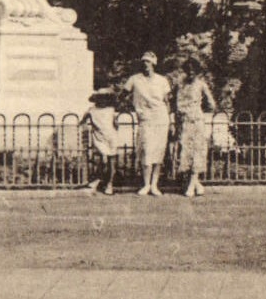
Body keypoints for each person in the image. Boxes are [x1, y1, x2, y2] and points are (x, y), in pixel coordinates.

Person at [122, 51, 173, 196]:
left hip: (161, 119)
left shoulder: (162, 80)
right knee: (146, 150)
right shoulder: (134, 79)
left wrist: (171, 121)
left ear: (154, 64)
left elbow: (167, 102)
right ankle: (146, 184)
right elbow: (123, 95)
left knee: (158, 151)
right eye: (144, 61)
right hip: (145, 119)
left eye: (148, 61)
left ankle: (154, 185)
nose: (146, 64)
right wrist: (131, 108)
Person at [174, 53, 217, 198]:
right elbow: (177, 103)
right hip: (184, 122)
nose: (190, 73)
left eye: (193, 70)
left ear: (197, 71)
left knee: (197, 152)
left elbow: (212, 104)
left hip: (197, 121)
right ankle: (196, 183)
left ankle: (192, 185)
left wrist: (199, 110)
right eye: (188, 70)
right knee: (186, 152)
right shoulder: (181, 84)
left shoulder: (201, 84)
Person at [80, 88, 118, 195]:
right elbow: (83, 121)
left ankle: (109, 184)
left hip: (111, 137)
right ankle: (98, 179)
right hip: (99, 138)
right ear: (96, 99)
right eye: (100, 98)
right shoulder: (91, 110)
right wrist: (88, 126)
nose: (103, 100)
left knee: (111, 161)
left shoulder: (111, 110)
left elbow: (116, 124)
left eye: (105, 98)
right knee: (101, 160)